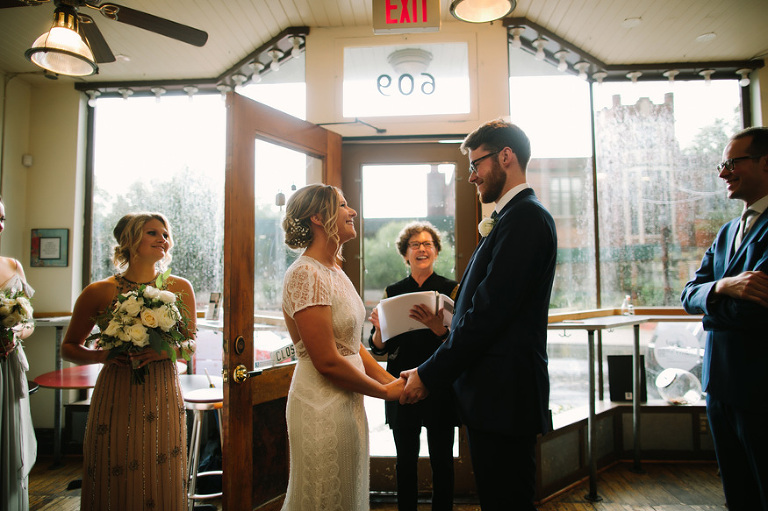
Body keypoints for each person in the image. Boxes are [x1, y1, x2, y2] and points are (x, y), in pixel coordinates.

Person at [400, 120, 557, 511]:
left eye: (477, 164)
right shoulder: (510, 218)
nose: (472, 177)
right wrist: (450, 324)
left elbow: (488, 314)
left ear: (506, 156)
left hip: (506, 396)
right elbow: (486, 308)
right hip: (494, 396)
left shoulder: (525, 219)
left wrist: (428, 374)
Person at [280, 184, 404, 510]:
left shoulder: (335, 269)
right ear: (319, 217)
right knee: (324, 496)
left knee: (348, 495)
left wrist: (393, 382)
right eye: (344, 205)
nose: (353, 212)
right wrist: (387, 394)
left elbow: (352, 347)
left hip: (348, 403)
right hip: (320, 403)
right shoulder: (306, 273)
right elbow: (327, 361)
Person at [61, 212, 196, 511]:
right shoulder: (99, 291)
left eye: (164, 233)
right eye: (152, 233)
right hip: (117, 390)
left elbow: (190, 343)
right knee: (115, 463)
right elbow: (68, 348)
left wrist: (166, 352)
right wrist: (101, 355)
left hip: (162, 391)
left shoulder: (179, 288)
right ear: (129, 241)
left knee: (162, 468)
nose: (162, 238)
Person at [681, 126, 768, 511]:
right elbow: (689, 295)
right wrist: (722, 288)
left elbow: (753, 310)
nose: (723, 173)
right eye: (722, 164)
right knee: (737, 494)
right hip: (719, 386)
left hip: (761, 389)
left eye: (732, 163)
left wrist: (709, 304)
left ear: (766, 163)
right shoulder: (728, 231)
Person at [368, 221, 459, 511]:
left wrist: (438, 329)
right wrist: (379, 331)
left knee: (443, 461)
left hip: (439, 384)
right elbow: (380, 348)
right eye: (415, 245)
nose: (422, 249)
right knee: (404, 461)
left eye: (428, 244)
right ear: (405, 254)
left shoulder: (451, 290)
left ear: (436, 252)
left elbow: (460, 344)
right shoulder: (393, 291)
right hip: (401, 385)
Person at [0, 197, 37, 511]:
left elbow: (28, 321)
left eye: (2, 218)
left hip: (7, 363)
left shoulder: (12, 265)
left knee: (8, 444)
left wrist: (14, 333)